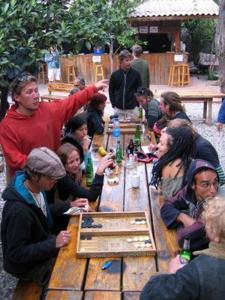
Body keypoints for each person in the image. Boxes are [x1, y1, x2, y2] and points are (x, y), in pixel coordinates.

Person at [0, 147, 83, 286]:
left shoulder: (36, 188)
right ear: (35, 175)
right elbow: (16, 253)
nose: (55, 180)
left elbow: (43, 210)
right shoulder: (18, 212)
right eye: (51, 177)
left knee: (76, 247)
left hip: (42, 242)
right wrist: (53, 243)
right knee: (72, 275)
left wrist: (70, 205)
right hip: (27, 266)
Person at [0, 72, 107, 178]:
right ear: (16, 97)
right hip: (28, 184)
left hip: (53, 176)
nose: (36, 95)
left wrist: (93, 88)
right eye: (29, 92)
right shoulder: (8, 126)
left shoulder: (49, 110)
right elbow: (14, 159)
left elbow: (72, 101)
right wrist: (47, 167)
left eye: (36, 91)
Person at [141, 197, 225, 300]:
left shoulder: (199, 270)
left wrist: (173, 274)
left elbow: (150, 296)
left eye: (208, 224)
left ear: (215, 235)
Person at [160, 159, 219, 251]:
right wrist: (182, 217)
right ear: (192, 185)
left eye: (215, 183)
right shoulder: (188, 192)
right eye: (205, 184)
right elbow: (166, 206)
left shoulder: (218, 206)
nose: (213, 190)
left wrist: (181, 223)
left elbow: (184, 239)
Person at [168, 118, 225, 185]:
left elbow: (221, 177)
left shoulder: (202, 147)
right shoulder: (188, 143)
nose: (173, 141)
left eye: (174, 138)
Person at [151, 126, 195, 206]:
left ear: (173, 148)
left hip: (178, 214)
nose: (157, 146)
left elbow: (164, 200)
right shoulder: (187, 160)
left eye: (162, 144)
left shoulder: (170, 165)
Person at [109, 49, 142, 119]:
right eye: (127, 60)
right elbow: (111, 91)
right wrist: (113, 104)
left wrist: (137, 104)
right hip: (118, 110)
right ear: (120, 61)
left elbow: (139, 90)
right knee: (120, 129)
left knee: (133, 129)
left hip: (132, 110)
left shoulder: (136, 74)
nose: (129, 62)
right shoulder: (114, 75)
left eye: (130, 60)